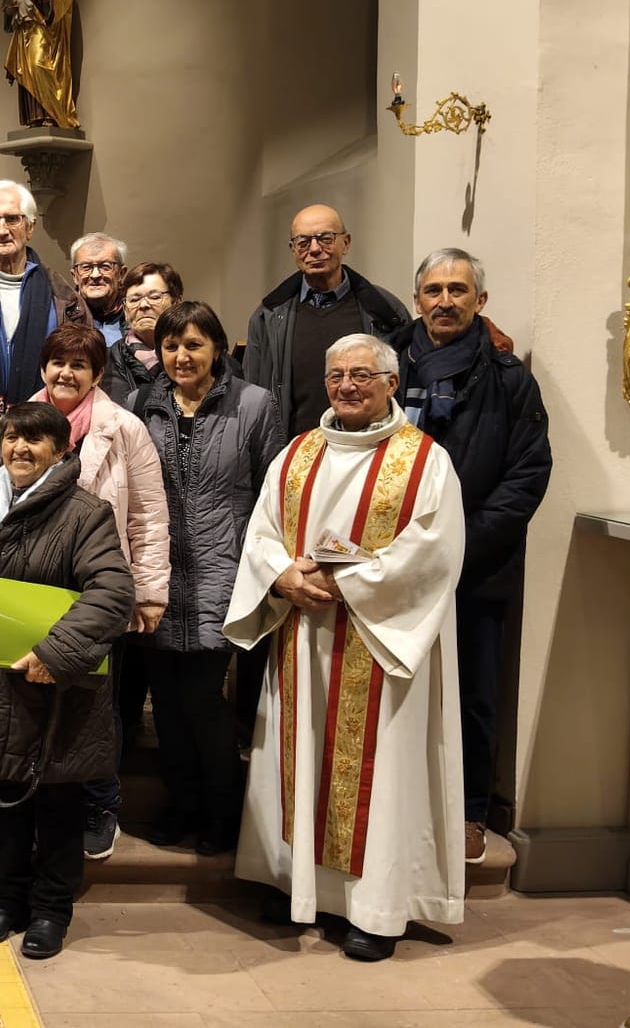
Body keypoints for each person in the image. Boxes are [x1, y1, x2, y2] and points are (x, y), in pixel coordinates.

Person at [226, 332, 465, 962]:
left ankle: (373, 910)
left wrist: (346, 582)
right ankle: (294, 884)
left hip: (380, 644)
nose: (348, 386)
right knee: (295, 753)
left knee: (376, 773)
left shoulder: (423, 461)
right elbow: (261, 533)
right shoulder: (298, 453)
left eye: (362, 375)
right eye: (337, 376)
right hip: (302, 634)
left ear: (391, 382)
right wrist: (282, 576)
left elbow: (433, 554)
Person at [0, 402, 132, 960]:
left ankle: (52, 910)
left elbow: (113, 594)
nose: (19, 449)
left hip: (54, 685)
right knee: (3, 805)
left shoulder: (85, 512)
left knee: (56, 807)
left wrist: (55, 652)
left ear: (61, 450)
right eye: (12, 439)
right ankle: (5, 902)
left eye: (34, 441)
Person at [389, 248, 551, 861]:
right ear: (417, 299)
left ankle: (469, 811)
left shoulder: (509, 379)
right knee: (397, 687)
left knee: (472, 695)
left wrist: (459, 545)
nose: (445, 301)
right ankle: (400, 800)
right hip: (393, 567)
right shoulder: (387, 367)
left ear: (479, 301)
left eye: (458, 290)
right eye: (433, 290)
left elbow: (527, 474)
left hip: (476, 568)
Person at [128, 302, 283, 855]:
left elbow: (275, 492)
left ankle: (223, 814)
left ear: (216, 347)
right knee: (166, 703)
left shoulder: (255, 404)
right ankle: (180, 807)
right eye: (171, 346)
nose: (181, 356)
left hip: (226, 570)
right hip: (157, 576)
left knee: (203, 701)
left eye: (193, 344)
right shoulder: (142, 404)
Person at [29, 323, 171, 859]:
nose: (66, 373)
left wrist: (150, 591)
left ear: (97, 374)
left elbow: (150, 514)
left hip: (99, 587)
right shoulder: (23, 420)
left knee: (93, 702)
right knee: (37, 697)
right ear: (43, 367)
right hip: (37, 584)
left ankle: (100, 804)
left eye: (79, 365)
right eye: (57, 362)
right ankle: (41, 806)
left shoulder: (123, 427)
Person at [243, 205, 410, 436]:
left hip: (370, 448)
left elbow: (403, 388)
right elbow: (253, 396)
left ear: (346, 243)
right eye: (303, 242)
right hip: (293, 453)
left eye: (325, 238)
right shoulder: (267, 317)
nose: (314, 249)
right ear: (293, 250)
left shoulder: (385, 312)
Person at [0, 181, 83, 410]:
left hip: (46, 424)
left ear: (30, 228)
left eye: (12, 219)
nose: (1, 231)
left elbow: (84, 368)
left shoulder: (62, 295)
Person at [4, 0, 77, 129]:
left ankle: (53, 113)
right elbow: (19, 0)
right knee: (26, 68)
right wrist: (10, 10)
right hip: (28, 30)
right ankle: (36, 116)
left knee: (39, 65)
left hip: (47, 30)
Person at [108, 262, 183, 400]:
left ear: (176, 303)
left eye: (154, 297)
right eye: (134, 299)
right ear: (125, 310)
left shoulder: (198, 351)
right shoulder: (111, 359)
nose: (143, 305)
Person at [68, 233, 128, 348]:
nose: (95, 275)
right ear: (75, 276)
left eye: (105, 266)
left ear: (121, 273)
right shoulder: (60, 314)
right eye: (86, 267)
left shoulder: (136, 314)